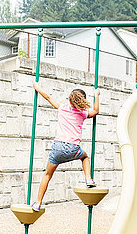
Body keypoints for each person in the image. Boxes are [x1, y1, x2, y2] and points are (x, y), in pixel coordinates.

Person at [30, 82, 100, 211]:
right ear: (82, 101)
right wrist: (97, 95)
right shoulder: (83, 113)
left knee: (47, 175)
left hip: (58, 149)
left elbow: (48, 97)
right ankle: (88, 178)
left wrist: (37, 87)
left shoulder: (62, 108)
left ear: (69, 99)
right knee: (85, 158)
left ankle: (38, 202)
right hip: (74, 149)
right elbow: (95, 111)